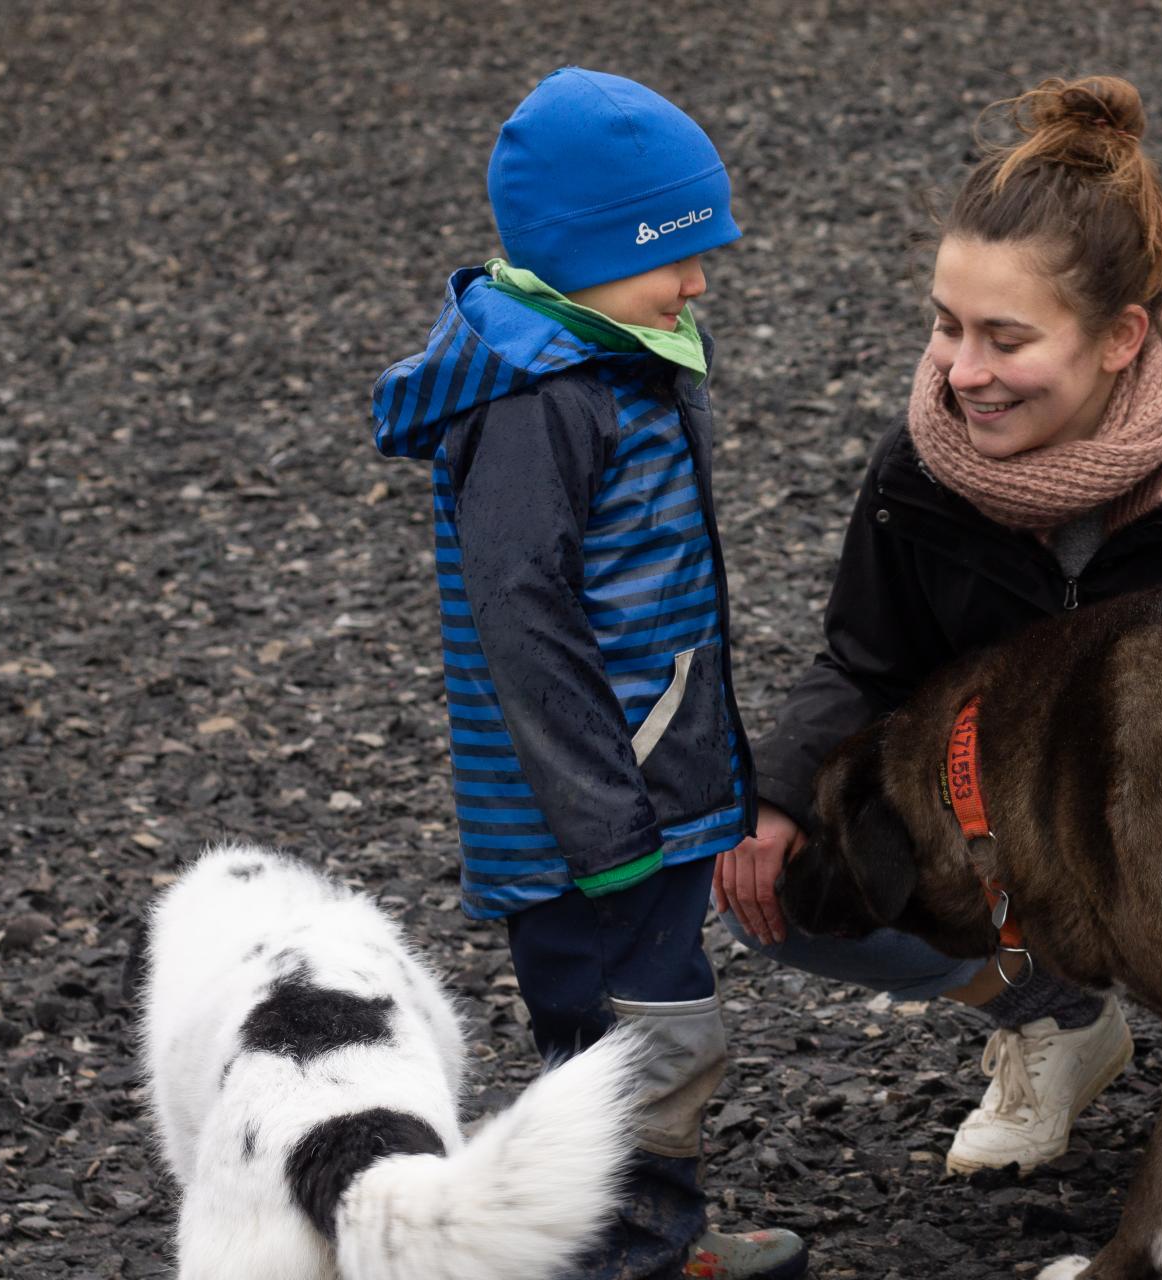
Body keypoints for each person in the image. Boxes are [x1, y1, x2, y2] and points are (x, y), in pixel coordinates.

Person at [715, 74, 1162, 1186]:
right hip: (1055, 830)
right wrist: (779, 796)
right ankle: (1058, 1016)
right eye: (946, 326)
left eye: (1004, 337)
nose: (962, 372)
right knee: (784, 885)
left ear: (1122, 337)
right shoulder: (919, 470)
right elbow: (866, 657)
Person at [371, 67, 807, 1280]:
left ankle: (645, 1234)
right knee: (630, 1034)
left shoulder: (611, 355)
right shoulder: (540, 398)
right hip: (594, 815)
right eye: (678, 253)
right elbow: (526, 620)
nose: (701, 280)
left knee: (639, 1024)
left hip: (641, 786)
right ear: (579, 255)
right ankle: (629, 1254)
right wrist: (609, 826)